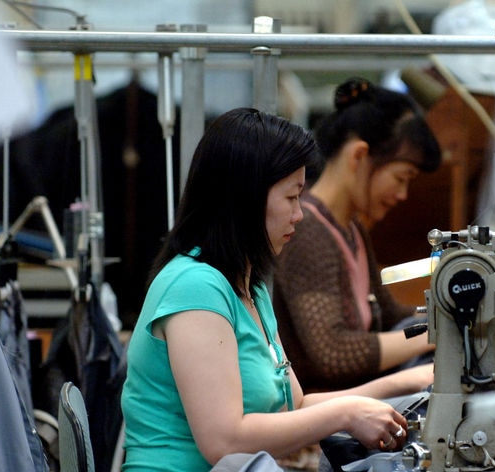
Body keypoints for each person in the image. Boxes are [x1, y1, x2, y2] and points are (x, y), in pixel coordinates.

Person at [120, 108, 415, 471]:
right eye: (291, 197)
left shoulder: (249, 285)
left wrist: (407, 385)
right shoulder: (195, 287)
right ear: (246, 197)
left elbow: (297, 408)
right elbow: (224, 441)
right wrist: (346, 413)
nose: (299, 214)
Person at [272, 77, 441, 393]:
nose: (402, 194)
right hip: (326, 422)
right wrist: (439, 332)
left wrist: (445, 315)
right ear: (358, 156)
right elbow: (333, 353)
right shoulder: (307, 230)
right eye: (401, 178)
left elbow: (389, 317)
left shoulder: (350, 227)